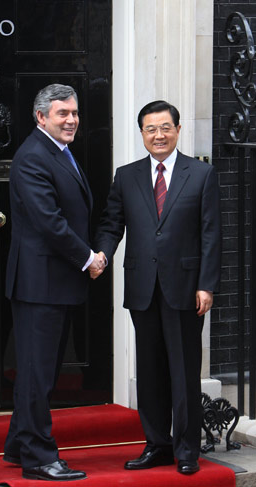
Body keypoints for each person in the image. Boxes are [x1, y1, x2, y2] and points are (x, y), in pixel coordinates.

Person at [91, 100, 221, 475]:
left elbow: (211, 234)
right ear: (142, 134)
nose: (158, 135)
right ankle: (157, 445)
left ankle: (186, 450)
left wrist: (207, 285)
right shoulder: (126, 175)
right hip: (143, 288)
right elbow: (112, 223)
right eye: (150, 129)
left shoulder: (200, 175)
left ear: (178, 130)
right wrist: (101, 254)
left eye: (165, 127)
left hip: (185, 288)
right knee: (149, 373)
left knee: (183, 372)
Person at [3, 83, 106, 481]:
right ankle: (38, 457)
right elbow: (49, 221)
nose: (72, 120)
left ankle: (17, 445)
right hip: (39, 284)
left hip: (53, 284)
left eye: (75, 113)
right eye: (62, 113)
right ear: (41, 116)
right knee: (37, 373)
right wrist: (88, 258)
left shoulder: (57, 151)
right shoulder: (32, 156)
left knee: (38, 371)